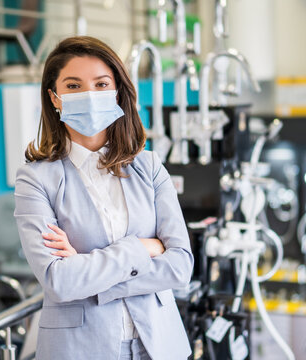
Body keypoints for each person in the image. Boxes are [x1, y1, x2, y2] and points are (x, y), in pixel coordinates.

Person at [14, 36, 193, 360]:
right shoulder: (35, 180)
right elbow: (60, 282)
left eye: (100, 84)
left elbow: (180, 267)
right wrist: (142, 247)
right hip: (80, 351)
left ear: (116, 92)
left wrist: (90, 273)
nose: (89, 95)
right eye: (73, 86)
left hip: (159, 346)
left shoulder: (148, 166)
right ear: (54, 98)